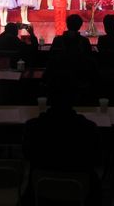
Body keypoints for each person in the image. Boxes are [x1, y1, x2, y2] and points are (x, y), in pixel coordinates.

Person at [22, 76, 102, 206]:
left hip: (40, 193)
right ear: (76, 97)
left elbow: (27, 154)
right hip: (81, 193)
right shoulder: (88, 128)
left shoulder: (32, 127)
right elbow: (97, 159)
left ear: (48, 97)